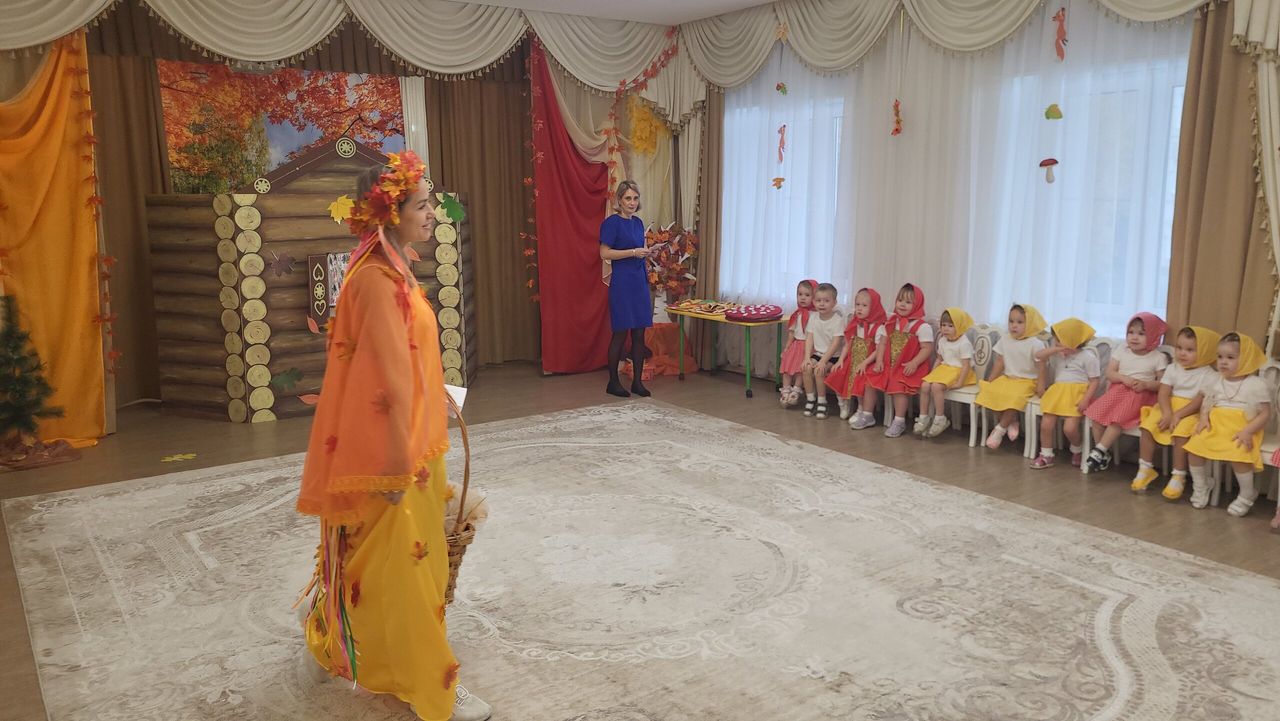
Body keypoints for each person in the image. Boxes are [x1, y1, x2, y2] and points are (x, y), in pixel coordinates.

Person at [297, 152, 491, 721]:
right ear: (390, 214)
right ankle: (431, 685)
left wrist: (437, 398)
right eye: (423, 205)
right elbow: (382, 381)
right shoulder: (377, 282)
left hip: (415, 445)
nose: (433, 213)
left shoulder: (392, 269)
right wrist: (393, 462)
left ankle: (335, 632)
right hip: (397, 455)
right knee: (408, 573)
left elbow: (408, 363)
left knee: (389, 565)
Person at [1184, 332, 1272, 517]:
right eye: (1220, 357)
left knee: (1239, 454)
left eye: (1230, 358)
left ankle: (1247, 493)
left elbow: (1264, 414)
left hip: (1243, 427)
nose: (1223, 362)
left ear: (1246, 359)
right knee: (1194, 447)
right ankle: (1201, 484)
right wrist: (1203, 418)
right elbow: (1207, 402)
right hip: (1216, 424)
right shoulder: (1215, 380)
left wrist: (1248, 431)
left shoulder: (1256, 384)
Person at [1131, 326, 1219, 498]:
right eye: (1179, 348)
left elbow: (1198, 401)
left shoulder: (1209, 374)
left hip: (1191, 411)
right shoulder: (1173, 368)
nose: (1182, 353)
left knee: (1181, 434)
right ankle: (1145, 468)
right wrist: (1167, 413)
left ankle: (1179, 475)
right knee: (1148, 427)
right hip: (1168, 406)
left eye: (1189, 350)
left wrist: (1178, 415)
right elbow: (1163, 392)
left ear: (1205, 352)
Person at [1083, 313, 1168, 473]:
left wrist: (1145, 384)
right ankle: (1103, 452)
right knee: (1096, 416)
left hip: (1140, 396)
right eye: (1131, 332)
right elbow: (1110, 373)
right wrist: (1123, 378)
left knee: (1117, 420)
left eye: (1141, 334)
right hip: (1118, 391)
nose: (1134, 337)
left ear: (1153, 336)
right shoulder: (1122, 350)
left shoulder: (1158, 357)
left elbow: (1163, 384)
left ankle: (1099, 450)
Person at [599, 180, 655, 398]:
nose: (632, 202)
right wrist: (633, 252)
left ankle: (637, 383)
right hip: (622, 283)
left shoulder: (638, 223)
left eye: (635, 198)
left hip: (639, 281)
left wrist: (647, 252)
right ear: (619, 201)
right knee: (620, 333)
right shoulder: (612, 223)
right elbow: (604, 253)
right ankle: (613, 382)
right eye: (628, 198)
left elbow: (639, 249)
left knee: (640, 333)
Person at [1030, 318, 1100, 468]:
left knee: (1069, 428)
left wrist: (1086, 399)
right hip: (1057, 392)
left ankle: (1077, 449)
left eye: (1059, 339)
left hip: (1077, 394)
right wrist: (1056, 349)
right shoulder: (1058, 353)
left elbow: (1094, 381)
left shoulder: (1088, 357)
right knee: (1046, 424)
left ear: (1072, 339)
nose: (1055, 342)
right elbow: (1038, 355)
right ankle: (1046, 454)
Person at [976, 303, 1047, 449]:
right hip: (1008, 378)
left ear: (1030, 324)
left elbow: (1042, 368)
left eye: (1020, 322)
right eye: (1011, 321)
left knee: (1014, 397)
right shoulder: (1005, 339)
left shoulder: (1036, 344)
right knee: (991, 392)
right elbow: (1000, 362)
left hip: (1027, 381)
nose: (1014, 325)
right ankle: (1011, 421)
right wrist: (991, 379)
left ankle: (999, 429)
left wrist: (1041, 386)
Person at [867, 283, 934, 438]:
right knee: (869, 378)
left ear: (917, 305)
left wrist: (914, 363)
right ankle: (867, 413)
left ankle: (899, 421)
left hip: (909, 366)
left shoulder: (922, 326)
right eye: (900, 300)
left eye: (908, 302)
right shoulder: (892, 321)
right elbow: (883, 343)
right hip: (890, 364)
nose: (902, 305)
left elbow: (927, 349)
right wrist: (879, 361)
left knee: (898, 385)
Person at [827, 287, 887, 426]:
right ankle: (844, 402)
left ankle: (861, 409)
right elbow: (848, 344)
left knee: (861, 378)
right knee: (838, 372)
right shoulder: (855, 323)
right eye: (857, 304)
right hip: (853, 359)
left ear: (874, 307)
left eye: (864, 305)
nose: (859, 308)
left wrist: (865, 363)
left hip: (869, 362)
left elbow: (878, 350)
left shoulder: (879, 327)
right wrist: (840, 360)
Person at [916, 307, 976, 438]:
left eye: (950, 326)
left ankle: (940, 418)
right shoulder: (943, 340)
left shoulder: (964, 343)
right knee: (925, 385)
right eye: (943, 325)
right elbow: (939, 359)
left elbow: (966, 366)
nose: (945, 329)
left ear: (959, 326)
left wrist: (960, 382)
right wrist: (932, 374)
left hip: (960, 371)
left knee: (936, 386)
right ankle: (923, 417)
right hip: (945, 369)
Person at [800, 283, 844, 418]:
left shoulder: (838, 320)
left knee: (819, 371)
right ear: (813, 302)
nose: (822, 304)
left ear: (834, 302)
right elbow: (809, 339)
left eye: (826, 301)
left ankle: (822, 401)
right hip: (818, 354)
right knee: (806, 368)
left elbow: (836, 344)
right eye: (818, 300)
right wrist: (806, 358)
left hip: (833, 356)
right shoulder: (813, 318)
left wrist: (823, 361)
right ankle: (811, 399)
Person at [778, 279, 819, 407]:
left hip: (808, 347)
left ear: (814, 297)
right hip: (796, 345)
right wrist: (787, 347)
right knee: (787, 367)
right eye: (800, 294)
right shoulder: (797, 314)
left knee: (801, 370)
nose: (803, 298)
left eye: (807, 295)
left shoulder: (816, 315)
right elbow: (791, 333)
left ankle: (796, 390)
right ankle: (785, 390)